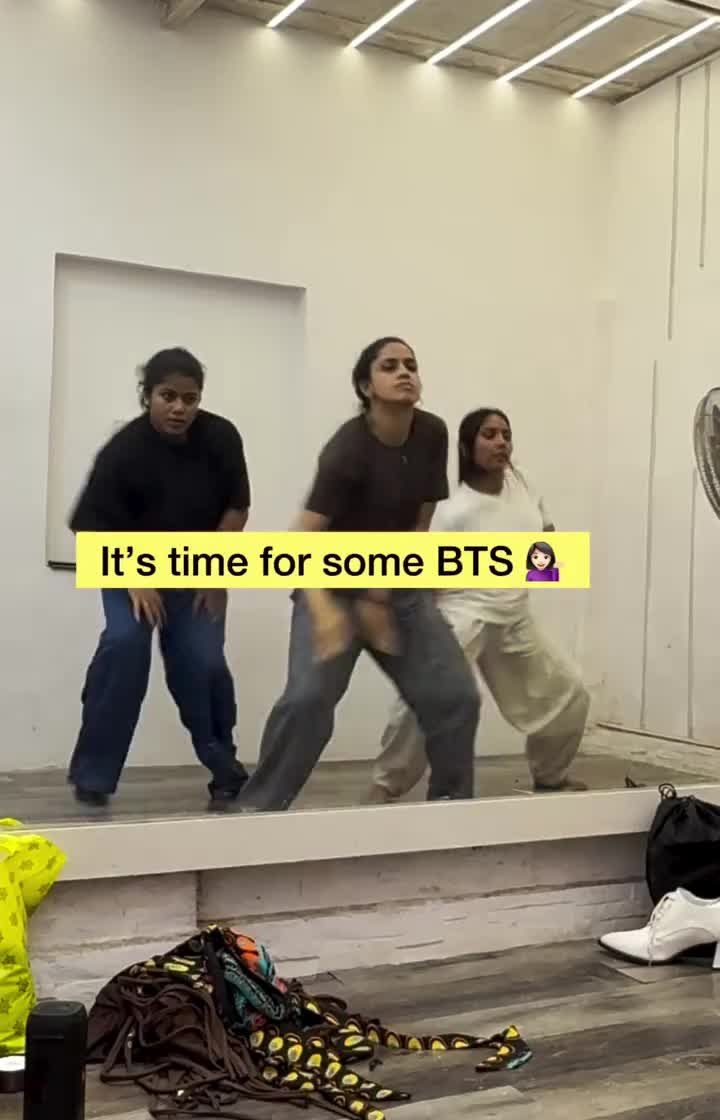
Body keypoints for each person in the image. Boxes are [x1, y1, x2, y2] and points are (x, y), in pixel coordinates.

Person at [237, 337, 479, 812]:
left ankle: (453, 811)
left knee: (455, 696)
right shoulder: (347, 450)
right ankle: (257, 810)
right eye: (389, 366)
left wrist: (389, 590)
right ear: (367, 387)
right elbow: (301, 539)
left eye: (411, 364)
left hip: (394, 585)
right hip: (328, 586)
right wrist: (328, 614)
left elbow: (421, 518)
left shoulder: (432, 433)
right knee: (307, 701)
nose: (405, 372)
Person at [370, 407, 590, 803]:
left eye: (506, 434)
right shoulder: (451, 507)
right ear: (467, 447)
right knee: (426, 696)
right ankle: (386, 784)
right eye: (489, 435)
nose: (501, 442)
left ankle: (551, 775)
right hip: (463, 612)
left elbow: (546, 538)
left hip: (515, 615)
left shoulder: (523, 483)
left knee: (569, 691)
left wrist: (538, 567)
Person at [68, 347, 251, 812]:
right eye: (168, 396)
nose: (179, 408)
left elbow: (237, 508)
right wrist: (133, 576)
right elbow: (89, 526)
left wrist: (216, 571)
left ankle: (224, 768)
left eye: (190, 398)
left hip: (196, 566)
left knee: (203, 662)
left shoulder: (221, 437)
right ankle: (93, 775)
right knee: (124, 645)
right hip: (125, 562)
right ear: (147, 395)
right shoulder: (124, 450)